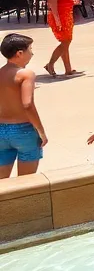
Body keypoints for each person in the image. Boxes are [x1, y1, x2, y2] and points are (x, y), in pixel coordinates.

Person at [0, 34, 45, 178]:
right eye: (30, 49)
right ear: (19, 53)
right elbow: (27, 104)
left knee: (2, 183)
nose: (32, 53)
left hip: (1, 130)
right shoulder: (26, 74)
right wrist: (41, 132)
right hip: (24, 131)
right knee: (25, 182)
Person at [44, 0, 81, 78]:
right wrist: (57, 21)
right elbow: (52, 5)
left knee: (66, 42)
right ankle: (50, 64)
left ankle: (68, 69)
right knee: (65, 43)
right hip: (60, 18)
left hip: (66, 17)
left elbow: (62, 1)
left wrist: (73, 2)